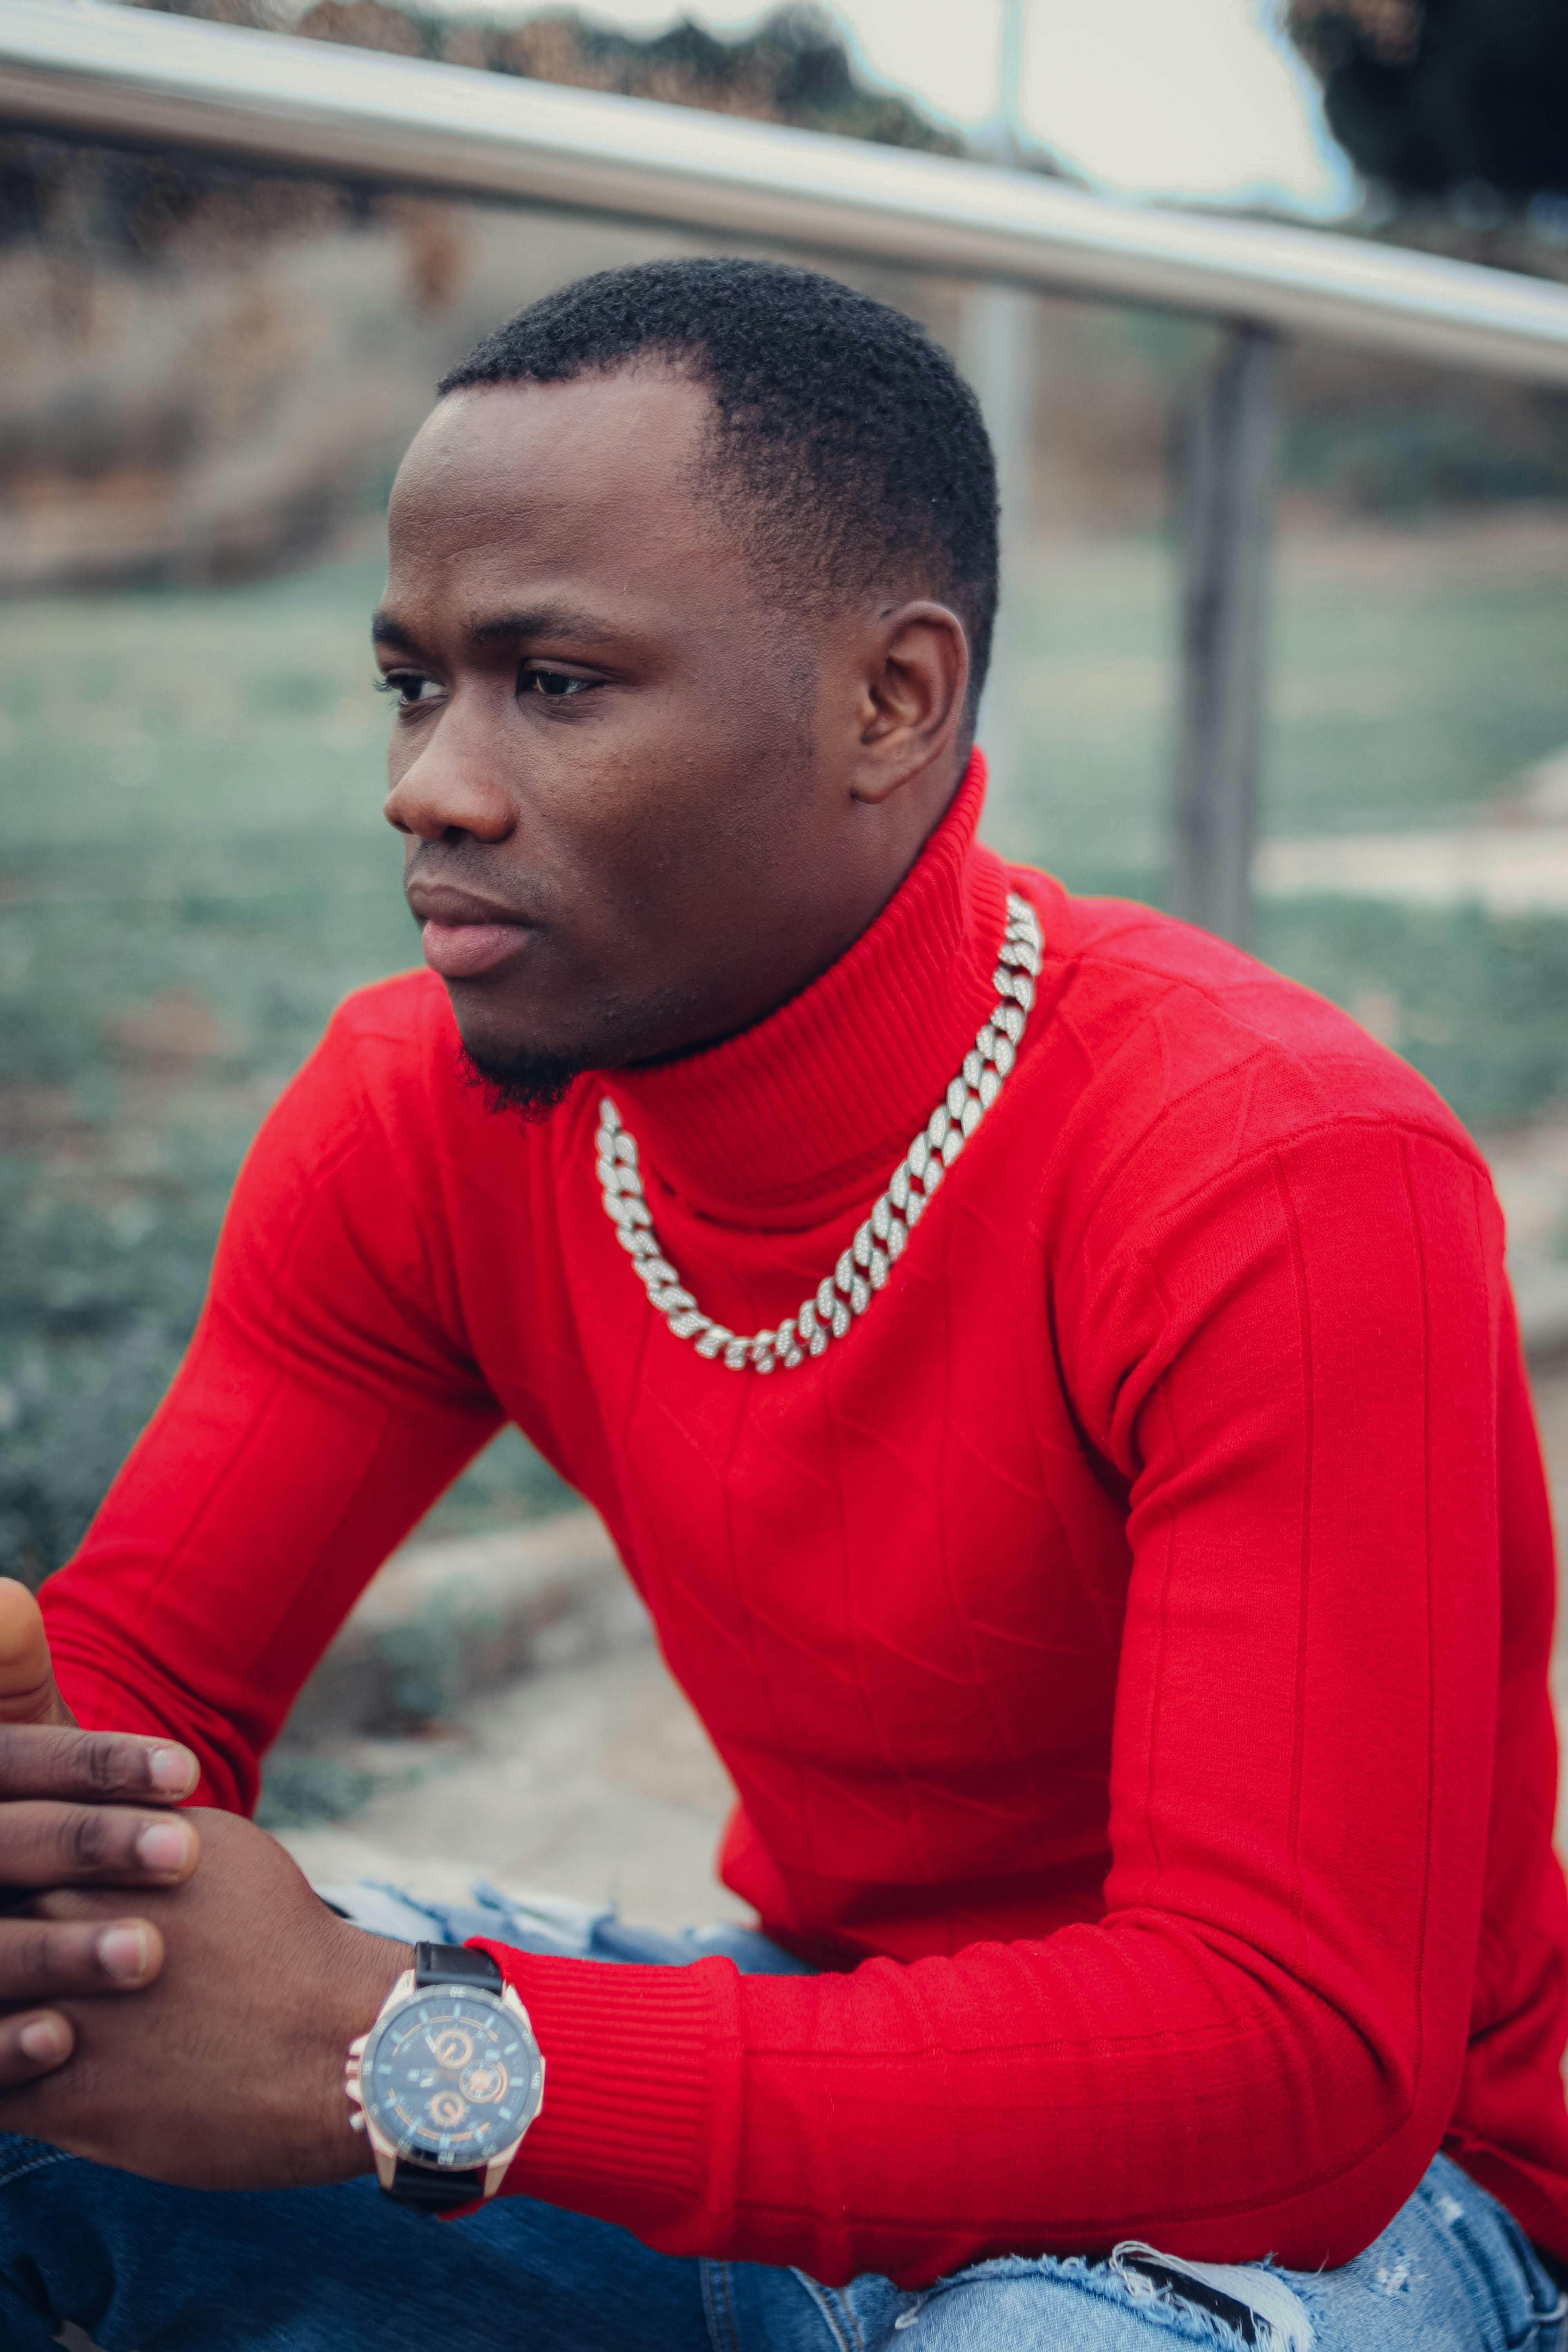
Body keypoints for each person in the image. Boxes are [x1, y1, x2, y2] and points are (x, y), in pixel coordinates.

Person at [0, 257, 1561, 2352]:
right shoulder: (424, 1110)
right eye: (416, 682)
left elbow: (1294, 2072)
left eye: (552, 682)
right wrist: (42, 1798)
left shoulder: (1274, 1172)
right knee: (46, 2049)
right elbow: (141, 1706)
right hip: (832, 2065)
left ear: (891, 702)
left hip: (1368, 2212)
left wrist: (412, 2052)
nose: (432, 787)